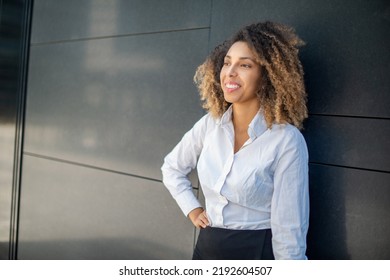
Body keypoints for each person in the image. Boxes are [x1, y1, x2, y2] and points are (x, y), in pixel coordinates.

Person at [161, 21, 309, 260]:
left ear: (267, 76)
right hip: (207, 248)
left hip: (255, 253)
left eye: (245, 65)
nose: (230, 72)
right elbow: (171, 168)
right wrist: (193, 208)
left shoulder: (286, 141)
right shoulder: (210, 124)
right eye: (227, 62)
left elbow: (290, 226)